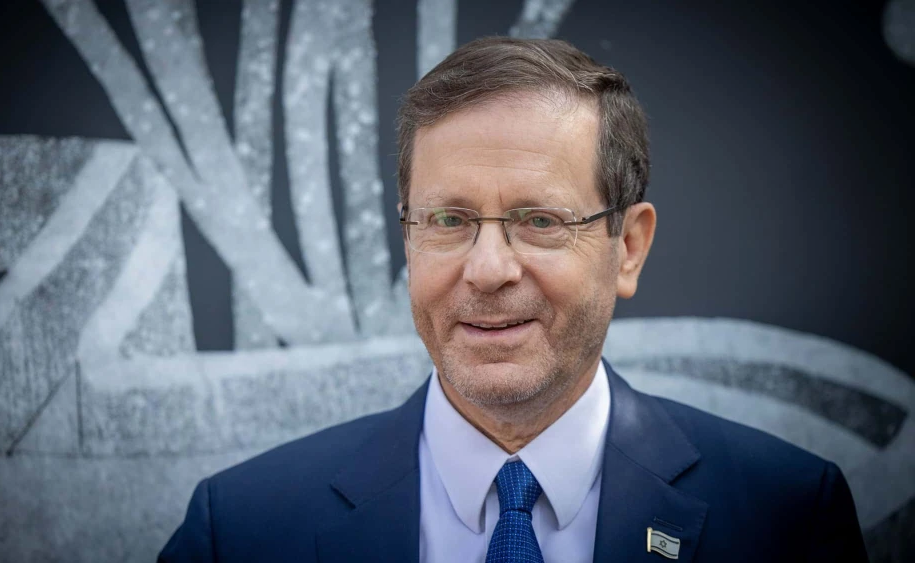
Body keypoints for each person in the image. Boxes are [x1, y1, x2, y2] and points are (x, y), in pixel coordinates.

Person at [158, 36, 867, 562]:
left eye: (540, 220)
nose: (488, 269)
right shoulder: (240, 529)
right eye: (448, 219)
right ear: (407, 239)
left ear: (628, 247)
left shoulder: (788, 517)